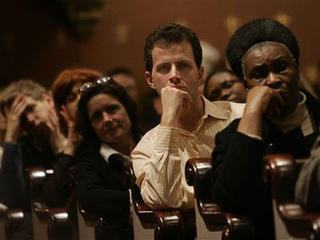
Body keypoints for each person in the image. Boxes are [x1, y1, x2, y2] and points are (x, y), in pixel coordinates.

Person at [209, 18, 320, 240]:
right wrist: (252, 111)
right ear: (247, 85)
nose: (272, 80)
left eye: (281, 68)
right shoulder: (231, 138)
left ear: (297, 70)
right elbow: (231, 200)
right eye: (259, 75)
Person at [131, 23, 244, 239]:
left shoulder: (240, 116)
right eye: (164, 68)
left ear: (200, 74)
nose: (174, 75)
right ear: (150, 80)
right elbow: (163, 199)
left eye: (183, 66)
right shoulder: (145, 147)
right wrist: (169, 120)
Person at [76, 76, 142, 240]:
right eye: (97, 117)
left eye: (112, 109)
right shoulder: (89, 164)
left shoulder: (154, 141)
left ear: (127, 109)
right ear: (90, 126)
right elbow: (91, 198)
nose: (107, 119)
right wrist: (148, 200)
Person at [0, 79, 66, 240]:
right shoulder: (24, 145)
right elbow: (12, 200)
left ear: (47, 100)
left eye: (31, 108)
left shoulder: (74, 128)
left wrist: (61, 150)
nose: (29, 119)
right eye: (21, 118)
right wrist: (11, 135)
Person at [43, 68, 103, 207]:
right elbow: (52, 198)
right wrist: (70, 148)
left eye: (84, 92)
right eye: (72, 98)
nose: (80, 99)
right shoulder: (73, 147)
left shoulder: (113, 130)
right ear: (64, 110)